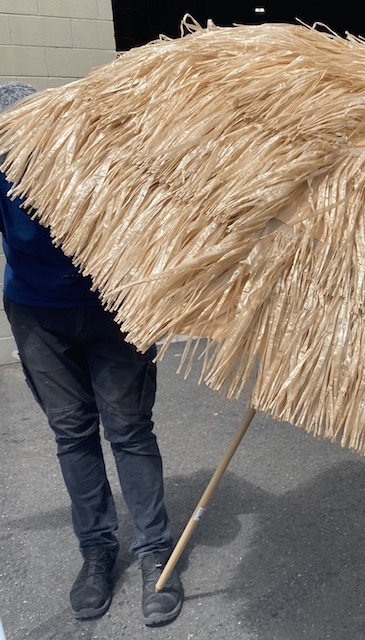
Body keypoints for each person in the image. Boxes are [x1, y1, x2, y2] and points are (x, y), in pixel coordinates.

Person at [0, 82, 183, 626]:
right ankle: (97, 552)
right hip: (36, 312)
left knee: (128, 428)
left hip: (114, 308)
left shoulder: (100, 158)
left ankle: (155, 554)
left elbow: (159, 216)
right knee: (72, 431)